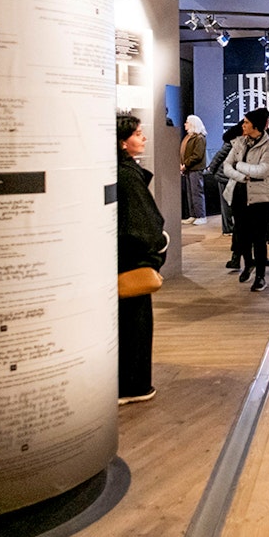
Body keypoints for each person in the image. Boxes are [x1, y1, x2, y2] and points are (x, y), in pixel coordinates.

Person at [116, 114, 167, 405]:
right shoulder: (127, 176)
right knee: (134, 326)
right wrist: (156, 251)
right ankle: (132, 386)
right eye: (137, 133)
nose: (144, 137)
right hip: (132, 261)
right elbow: (144, 223)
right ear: (123, 142)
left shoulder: (119, 171)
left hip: (122, 258)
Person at [223, 107, 269, 292]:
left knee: (259, 237)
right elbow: (226, 166)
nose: (243, 125)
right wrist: (242, 176)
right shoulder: (240, 142)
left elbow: (262, 170)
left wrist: (239, 165)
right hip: (240, 193)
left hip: (262, 197)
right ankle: (248, 264)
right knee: (242, 235)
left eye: (246, 122)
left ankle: (260, 276)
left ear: (256, 125)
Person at [206, 122, 242, 251]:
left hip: (230, 175)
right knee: (226, 203)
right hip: (224, 175)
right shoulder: (233, 141)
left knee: (229, 203)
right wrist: (211, 170)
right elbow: (219, 155)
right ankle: (227, 229)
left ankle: (229, 228)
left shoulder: (237, 140)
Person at [180, 114, 208, 224]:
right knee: (190, 193)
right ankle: (193, 214)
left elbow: (197, 155)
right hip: (188, 169)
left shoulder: (199, 138)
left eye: (187, 122)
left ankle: (201, 215)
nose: (185, 124)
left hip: (195, 169)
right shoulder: (189, 137)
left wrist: (185, 164)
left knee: (197, 193)